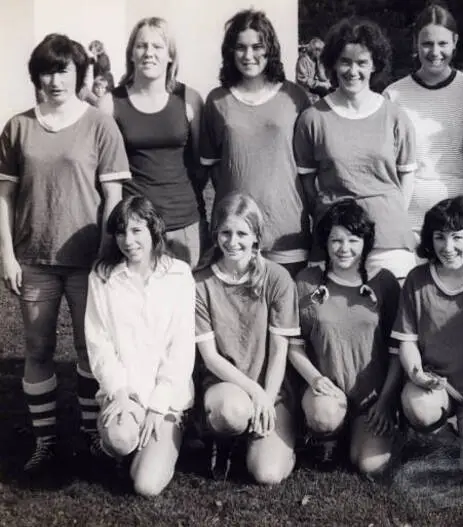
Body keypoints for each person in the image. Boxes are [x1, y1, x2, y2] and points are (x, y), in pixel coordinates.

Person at [0, 33, 129, 475]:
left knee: (89, 348)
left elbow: (112, 194)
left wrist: (105, 251)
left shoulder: (99, 124)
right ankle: (47, 441)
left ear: (80, 74)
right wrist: (7, 255)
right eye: (47, 71)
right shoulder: (17, 127)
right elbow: (5, 197)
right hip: (33, 258)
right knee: (38, 348)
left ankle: (94, 438)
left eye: (64, 70)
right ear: (36, 75)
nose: (55, 80)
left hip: (86, 261)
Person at [393, 196, 463, 485]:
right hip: (435, 388)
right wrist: (417, 374)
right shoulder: (417, 278)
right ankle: (441, 435)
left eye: (457, 237)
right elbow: (406, 341)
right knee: (418, 407)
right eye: (439, 237)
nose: (448, 247)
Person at [293, 17, 418, 282]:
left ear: (374, 65)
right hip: (334, 240)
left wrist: (390, 213)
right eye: (345, 61)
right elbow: (306, 180)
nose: (353, 71)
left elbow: (407, 176)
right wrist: (325, 213)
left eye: (362, 62)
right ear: (333, 64)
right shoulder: (313, 118)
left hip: (388, 239)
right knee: (327, 316)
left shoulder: (395, 116)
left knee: (389, 318)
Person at [85, 196, 195, 497]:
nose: (128, 241)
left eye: (136, 231)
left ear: (154, 230)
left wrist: (159, 406)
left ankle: (154, 446)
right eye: (121, 232)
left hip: (167, 400)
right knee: (121, 438)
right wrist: (119, 392)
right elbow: (99, 342)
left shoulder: (179, 274)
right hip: (126, 394)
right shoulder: (103, 275)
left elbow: (182, 347)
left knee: (146, 486)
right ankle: (118, 445)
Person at [289, 200, 402, 473]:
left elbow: (398, 349)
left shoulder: (383, 281)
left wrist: (386, 402)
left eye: (353, 240)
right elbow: (294, 346)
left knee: (371, 466)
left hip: (371, 398)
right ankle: (325, 435)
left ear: (366, 242)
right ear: (325, 243)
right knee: (324, 416)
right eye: (336, 240)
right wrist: (315, 379)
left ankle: (363, 432)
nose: (344, 248)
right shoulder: (307, 281)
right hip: (326, 393)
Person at [194, 193, 298, 484]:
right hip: (226, 386)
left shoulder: (277, 278)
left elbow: (279, 351)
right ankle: (224, 440)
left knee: (268, 475)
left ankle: (276, 440)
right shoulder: (201, 282)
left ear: (256, 237)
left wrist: (266, 397)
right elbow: (210, 357)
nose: (233, 241)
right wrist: (254, 392)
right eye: (225, 232)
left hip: (271, 389)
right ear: (215, 234)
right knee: (231, 412)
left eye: (242, 233)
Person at [201, 9, 312, 278]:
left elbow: (307, 168)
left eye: (257, 47)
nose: (248, 56)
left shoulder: (294, 97)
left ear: (270, 49)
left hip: (286, 231)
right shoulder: (217, 101)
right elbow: (213, 169)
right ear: (230, 51)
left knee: (286, 317)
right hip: (235, 235)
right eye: (240, 47)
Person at [99, 17, 207, 267]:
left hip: (184, 224)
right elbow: (104, 176)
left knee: (184, 303)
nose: (149, 53)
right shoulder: (109, 104)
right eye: (141, 46)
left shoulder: (189, 100)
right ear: (131, 54)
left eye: (157, 47)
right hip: (134, 231)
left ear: (170, 55)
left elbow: (200, 166)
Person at [384, 4, 463, 238]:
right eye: (427, 43)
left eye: (443, 44)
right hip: (411, 222)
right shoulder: (393, 95)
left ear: (455, 42)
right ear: (415, 43)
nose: (435, 52)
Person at [296, 37, 332, 102]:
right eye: (321, 51)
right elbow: (303, 80)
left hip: (313, 85)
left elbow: (322, 77)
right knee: (325, 92)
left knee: (332, 89)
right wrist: (321, 84)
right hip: (305, 88)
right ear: (315, 50)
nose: (322, 53)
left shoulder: (316, 60)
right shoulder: (303, 60)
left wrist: (327, 82)